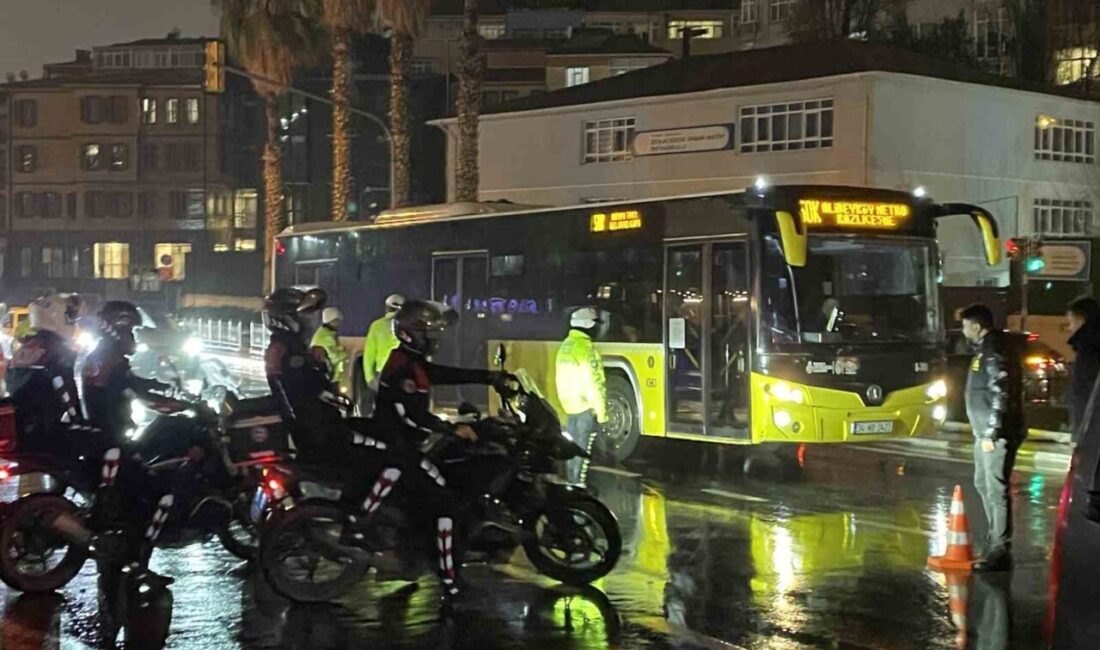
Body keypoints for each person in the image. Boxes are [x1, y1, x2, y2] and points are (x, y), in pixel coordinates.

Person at [367, 299, 516, 601]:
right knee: (448, 505)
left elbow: (442, 373)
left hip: (407, 442)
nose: (435, 339)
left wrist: (487, 377)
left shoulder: (410, 360)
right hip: (403, 448)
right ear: (412, 333)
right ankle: (450, 582)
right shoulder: (403, 367)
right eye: (430, 333)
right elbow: (412, 416)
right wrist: (450, 428)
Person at [960, 304, 1024, 572]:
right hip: (983, 432)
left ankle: (999, 549)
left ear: (976, 326)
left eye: (965, 326)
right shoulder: (984, 350)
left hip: (994, 434)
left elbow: (1001, 392)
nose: (963, 331)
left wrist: (991, 431)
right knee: (982, 483)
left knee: (995, 488)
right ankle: (994, 541)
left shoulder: (993, 350)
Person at [7, 293, 89, 455]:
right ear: (57, 317)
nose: (74, 323)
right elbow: (65, 386)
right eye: (71, 317)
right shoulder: (58, 349)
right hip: (45, 424)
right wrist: (78, 417)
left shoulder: (24, 347)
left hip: (21, 423)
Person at [555, 306, 608, 485]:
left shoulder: (566, 346)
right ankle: (578, 486)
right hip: (585, 406)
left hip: (569, 405)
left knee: (571, 447)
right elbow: (595, 384)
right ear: (587, 325)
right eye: (595, 324)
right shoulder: (586, 349)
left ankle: (570, 482)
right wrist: (601, 414)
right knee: (583, 451)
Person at [360, 293, 404, 414]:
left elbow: (369, 354)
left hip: (383, 373)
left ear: (387, 308)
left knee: (384, 408)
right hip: (404, 373)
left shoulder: (377, 326)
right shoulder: (408, 325)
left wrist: (369, 378)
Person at [1066, 297, 1100, 441]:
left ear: (1081, 319)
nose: (1070, 327)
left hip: (1090, 431)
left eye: (1071, 321)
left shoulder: (1089, 349)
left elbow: (1088, 391)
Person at [310, 306, 348, 388]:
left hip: (325, 376)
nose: (339, 324)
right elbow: (334, 357)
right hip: (329, 378)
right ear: (331, 321)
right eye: (337, 321)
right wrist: (345, 353)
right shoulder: (327, 337)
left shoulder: (323, 334)